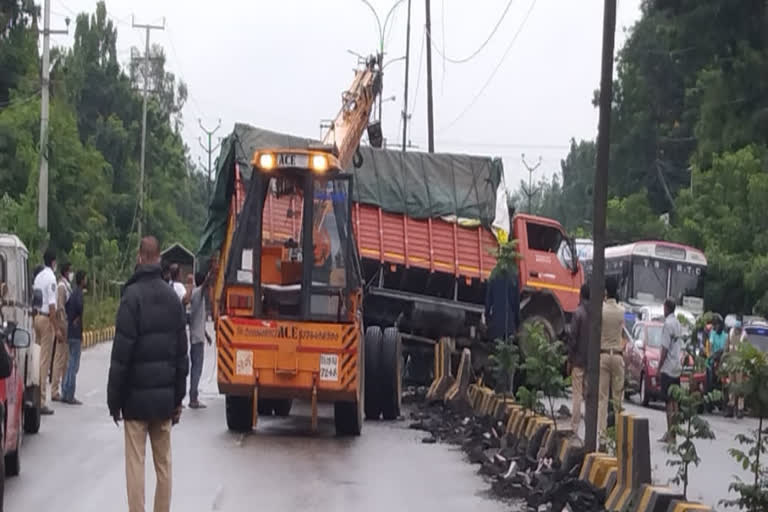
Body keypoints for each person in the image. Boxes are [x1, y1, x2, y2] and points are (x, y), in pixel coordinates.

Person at [108, 236, 189, 512]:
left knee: (136, 464)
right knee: (164, 464)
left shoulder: (131, 298)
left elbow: (121, 356)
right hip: (164, 401)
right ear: (159, 259)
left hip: (134, 402)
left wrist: (114, 400)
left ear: (140, 257)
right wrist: (178, 398)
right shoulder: (173, 299)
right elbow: (182, 356)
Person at [597, 276, 626, 436]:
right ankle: (619, 434)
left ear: (606, 291)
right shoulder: (622, 311)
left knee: (602, 399)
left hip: (603, 356)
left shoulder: (601, 310)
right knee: (617, 399)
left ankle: (602, 435)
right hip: (618, 355)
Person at [32, 248, 58, 416]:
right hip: (47, 319)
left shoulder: (39, 277)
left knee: (36, 360)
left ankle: (34, 397)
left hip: (36, 318)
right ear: (54, 262)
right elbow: (52, 306)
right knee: (44, 362)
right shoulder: (51, 278)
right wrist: (55, 326)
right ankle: (40, 401)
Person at [658, 298, 683, 443]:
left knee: (668, 402)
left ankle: (670, 433)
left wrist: (659, 366)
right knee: (675, 402)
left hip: (667, 367)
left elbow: (665, 348)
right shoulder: (678, 323)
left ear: (666, 308)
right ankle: (674, 432)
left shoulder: (667, 324)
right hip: (676, 366)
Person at [188, 271, 213, 409]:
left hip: (197, 337)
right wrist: (210, 273)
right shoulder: (198, 293)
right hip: (197, 340)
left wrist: (207, 335)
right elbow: (205, 285)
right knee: (197, 369)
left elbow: (198, 319)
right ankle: (193, 398)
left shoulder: (197, 295)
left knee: (196, 368)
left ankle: (193, 396)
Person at [568, 283, 590, 433]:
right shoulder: (596, 314)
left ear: (581, 295)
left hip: (578, 361)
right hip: (591, 363)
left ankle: (574, 428)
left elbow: (572, 339)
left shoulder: (578, 313)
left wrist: (570, 359)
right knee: (589, 397)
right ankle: (590, 428)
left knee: (577, 395)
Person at [62, 270, 86, 405]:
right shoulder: (79, 294)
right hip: (76, 333)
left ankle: (65, 391)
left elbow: (67, 307)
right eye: (85, 279)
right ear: (82, 280)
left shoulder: (72, 293)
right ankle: (70, 394)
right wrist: (76, 319)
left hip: (70, 331)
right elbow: (79, 308)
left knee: (70, 363)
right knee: (73, 365)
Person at [51, 262, 73, 402]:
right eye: (70, 270)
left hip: (66, 325)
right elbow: (60, 308)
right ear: (66, 271)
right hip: (63, 324)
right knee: (59, 358)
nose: (72, 273)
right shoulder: (61, 287)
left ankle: (63, 388)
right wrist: (59, 328)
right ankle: (54, 390)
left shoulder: (66, 285)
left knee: (65, 359)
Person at [725, 320, 745, 419]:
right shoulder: (730, 333)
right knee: (731, 386)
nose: (737, 331)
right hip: (731, 364)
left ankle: (740, 409)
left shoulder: (744, 336)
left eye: (739, 329)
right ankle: (731, 407)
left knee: (740, 387)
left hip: (740, 366)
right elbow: (726, 348)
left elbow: (746, 351)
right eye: (736, 329)